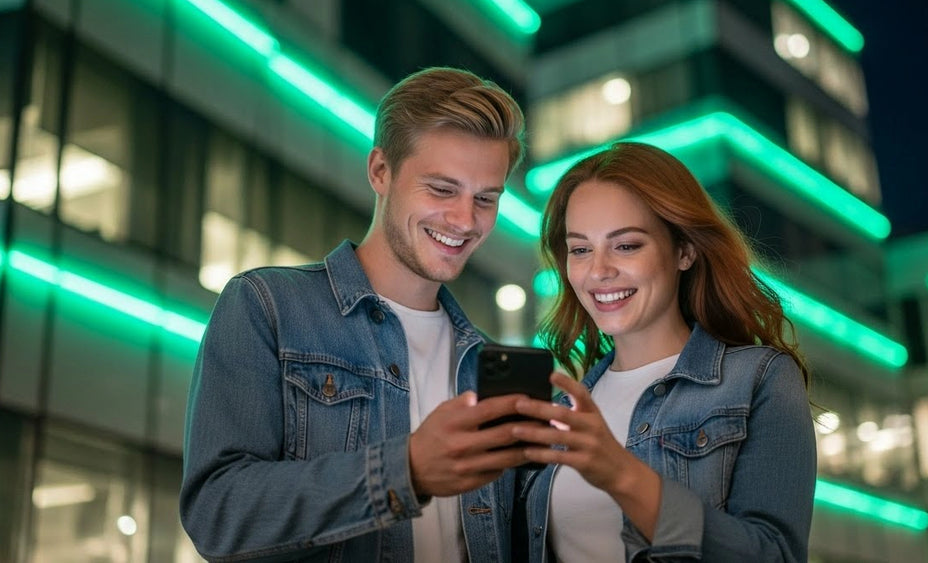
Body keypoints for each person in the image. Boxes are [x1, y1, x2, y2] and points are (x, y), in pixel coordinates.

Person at [180, 67, 530, 562]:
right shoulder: (267, 306)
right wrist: (404, 471)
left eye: (485, 198)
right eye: (441, 189)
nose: (465, 220)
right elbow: (217, 514)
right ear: (380, 172)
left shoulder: (496, 369)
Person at [511, 142, 817, 561]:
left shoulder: (758, 379)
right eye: (581, 249)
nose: (598, 271)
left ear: (684, 251)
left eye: (627, 245)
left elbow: (775, 555)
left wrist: (623, 476)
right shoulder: (559, 413)